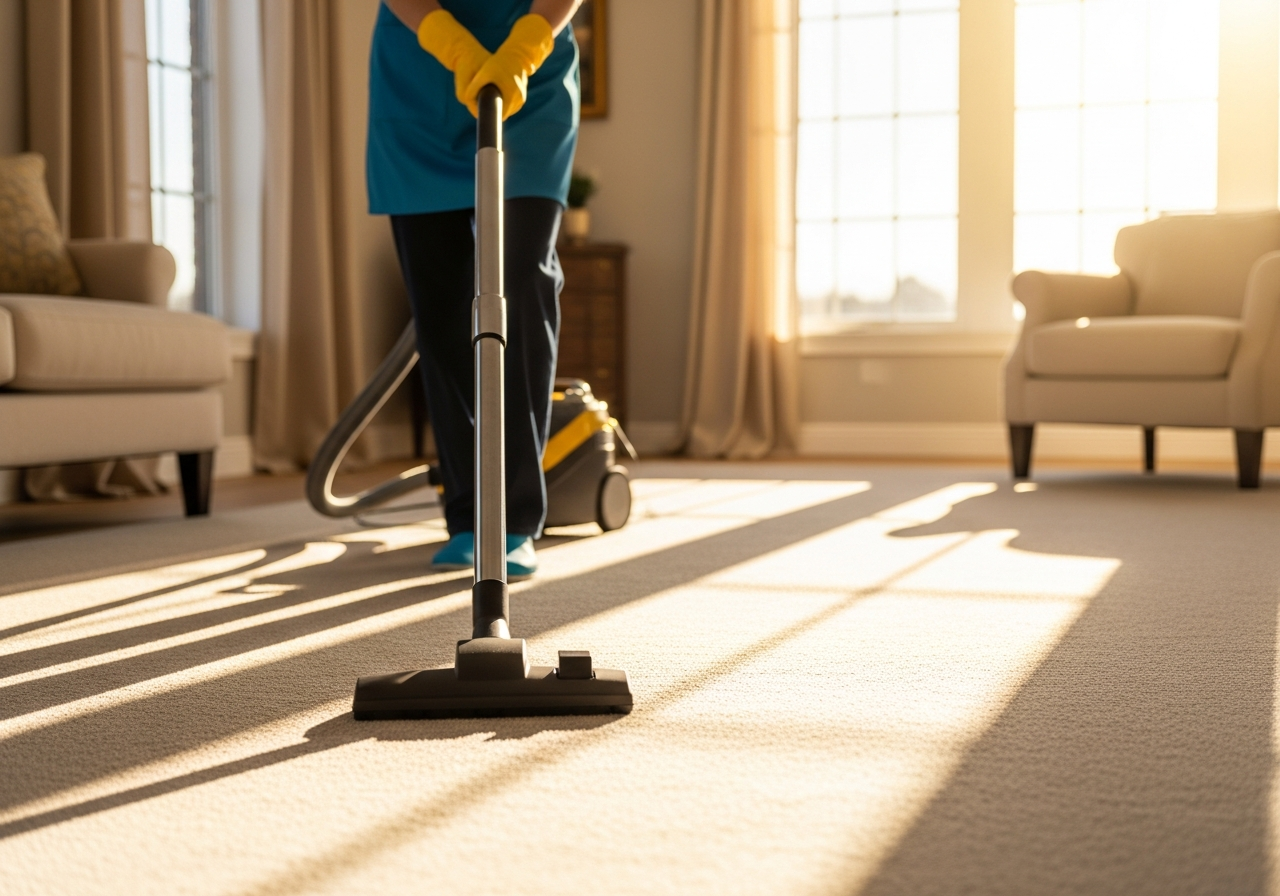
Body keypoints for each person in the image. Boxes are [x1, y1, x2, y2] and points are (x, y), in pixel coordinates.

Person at [371, 0, 583, 576]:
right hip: (418, 75)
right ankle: (467, 514)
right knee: (440, 305)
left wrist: (528, 44)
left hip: (529, 74)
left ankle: (515, 517)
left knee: (523, 280)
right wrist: (450, 42)